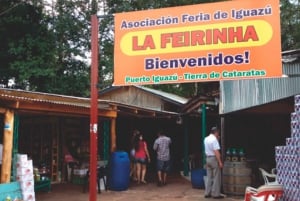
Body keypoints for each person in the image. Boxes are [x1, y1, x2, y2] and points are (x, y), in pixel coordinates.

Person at [204, 127, 225, 199]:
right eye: (218, 133)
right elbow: (216, 151)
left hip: (208, 158)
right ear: (216, 132)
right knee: (216, 176)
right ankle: (216, 194)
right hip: (214, 159)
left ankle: (207, 193)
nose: (218, 134)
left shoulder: (206, 138)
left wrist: (217, 139)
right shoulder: (214, 139)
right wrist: (220, 162)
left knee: (209, 176)